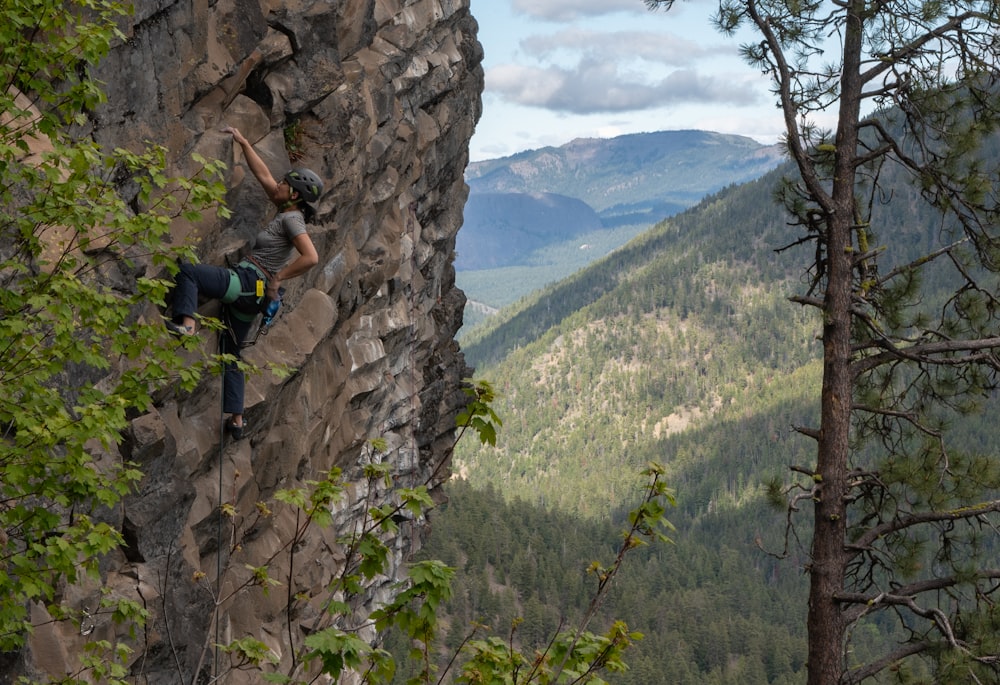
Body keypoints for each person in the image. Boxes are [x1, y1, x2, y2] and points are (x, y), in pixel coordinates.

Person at [166, 126, 322, 439]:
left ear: (293, 194)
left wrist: (279, 276)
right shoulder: (286, 210)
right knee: (231, 354)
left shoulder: (292, 220)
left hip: (247, 280)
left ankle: (186, 325)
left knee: (190, 273)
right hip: (253, 298)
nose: (277, 184)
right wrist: (244, 141)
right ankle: (237, 421)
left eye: (284, 183)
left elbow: (311, 257)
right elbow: (264, 176)